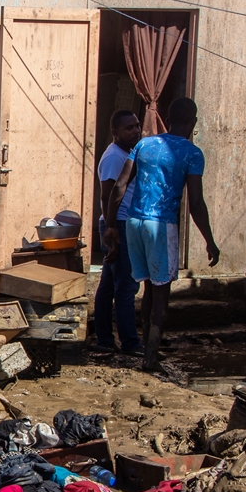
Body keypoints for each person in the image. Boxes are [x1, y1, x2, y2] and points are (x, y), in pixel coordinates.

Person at [108, 97, 219, 370]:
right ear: (192, 122)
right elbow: (196, 203)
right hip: (162, 225)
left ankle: (148, 349)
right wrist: (210, 241)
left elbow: (120, 186)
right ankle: (150, 357)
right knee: (161, 295)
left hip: (134, 222)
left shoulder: (143, 144)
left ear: (168, 120)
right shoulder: (193, 154)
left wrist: (111, 224)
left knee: (147, 288)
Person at [92, 110, 143, 355]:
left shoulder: (128, 153)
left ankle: (104, 339)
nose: (135, 131)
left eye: (136, 126)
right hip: (119, 224)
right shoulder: (114, 157)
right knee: (126, 286)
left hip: (119, 223)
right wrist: (111, 229)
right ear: (115, 132)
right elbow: (107, 195)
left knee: (110, 285)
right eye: (129, 128)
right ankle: (130, 343)